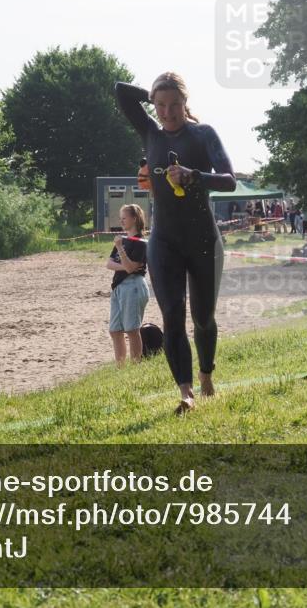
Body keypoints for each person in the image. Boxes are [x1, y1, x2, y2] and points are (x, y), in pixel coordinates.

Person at [115, 74, 236, 414]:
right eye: (160, 105)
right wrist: (151, 94)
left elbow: (229, 180)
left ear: (186, 104)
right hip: (164, 241)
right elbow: (121, 93)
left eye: (175, 105)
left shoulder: (203, 134)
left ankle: (206, 375)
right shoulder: (151, 132)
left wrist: (193, 175)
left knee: (203, 318)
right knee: (171, 314)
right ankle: (186, 392)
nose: (167, 112)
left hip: (202, 240)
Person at [106, 204, 149, 368]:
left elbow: (132, 269)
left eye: (124, 217)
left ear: (134, 218)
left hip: (133, 286)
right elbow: (109, 264)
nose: (121, 220)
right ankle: (121, 367)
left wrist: (120, 249)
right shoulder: (122, 239)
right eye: (121, 217)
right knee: (115, 330)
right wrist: (126, 266)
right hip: (118, 286)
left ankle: (136, 365)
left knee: (131, 329)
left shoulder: (139, 242)